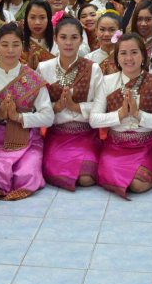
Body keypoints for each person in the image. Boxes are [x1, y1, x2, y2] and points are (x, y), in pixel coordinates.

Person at [90, 32, 152, 198]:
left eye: (134, 52)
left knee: (138, 184)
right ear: (117, 57)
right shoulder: (107, 82)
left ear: (143, 55)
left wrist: (138, 114)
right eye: (123, 53)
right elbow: (94, 120)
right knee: (111, 179)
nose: (129, 58)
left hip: (145, 146)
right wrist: (120, 115)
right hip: (115, 146)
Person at [0, 23, 54, 200]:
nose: (10, 50)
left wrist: (18, 117)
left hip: (27, 139)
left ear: (23, 46)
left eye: (15, 44)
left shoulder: (33, 78)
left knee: (27, 173)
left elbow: (48, 117)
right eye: (4, 45)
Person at [39, 17, 104, 190]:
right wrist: (56, 107)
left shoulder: (93, 68)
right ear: (55, 39)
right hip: (57, 134)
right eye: (63, 37)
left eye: (74, 37)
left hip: (86, 134)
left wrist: (75, 107)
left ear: (81, 40)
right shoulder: (44, 68)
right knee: (59, 174)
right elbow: (37, 106)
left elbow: (101, 106)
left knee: (86, 179)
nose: (68, 43)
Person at [22, 0, 56, 69]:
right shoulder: (19, 42)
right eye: (32, 17)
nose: (37, 22)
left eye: (42, 17)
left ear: (49, 19)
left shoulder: (57, 42)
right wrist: (29, 67)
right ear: (26, 19)